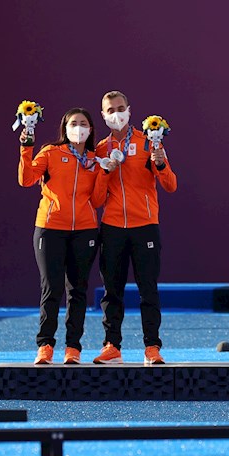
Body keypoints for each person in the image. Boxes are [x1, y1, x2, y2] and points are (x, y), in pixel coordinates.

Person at [92, 91, 178, 365]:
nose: (116, 114)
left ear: (129, 110)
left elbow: (170, 185)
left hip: (145, 226)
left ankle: (152, 347)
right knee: (112, 291)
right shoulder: (100, 150)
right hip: (112, 227)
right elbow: (96, 199)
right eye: (110, 110)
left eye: (120, 108)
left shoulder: (147, 143)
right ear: (103, 115)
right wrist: (106, 171)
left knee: (148, 290)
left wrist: (160, 162)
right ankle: (111, 347)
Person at [19, 108, 110, 365]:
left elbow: (98, 200)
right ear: (65, 127)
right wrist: (26, 147)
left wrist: (103, 174)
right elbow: (26, 179)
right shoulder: (51, 152)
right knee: (52, 288)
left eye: (83, 124)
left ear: (91, 129)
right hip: (50, 228)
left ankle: (73, 348)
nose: (78, 128)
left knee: (78, 290)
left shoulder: (95, 159)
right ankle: (45, 346)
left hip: (85, 230)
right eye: (73, 123)